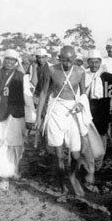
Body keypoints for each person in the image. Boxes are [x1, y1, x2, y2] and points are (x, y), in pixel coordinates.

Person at [34, 46, 90, 197]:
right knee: (59, 156)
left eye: (71, 60)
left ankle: (72, 176)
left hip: (73, 112)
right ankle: (62, 186)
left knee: (76, 155)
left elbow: (84, 94)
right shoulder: (51, 70)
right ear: (59, 58)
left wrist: (80, 104)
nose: (67, 63)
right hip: (56, 111)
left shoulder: (80, 72)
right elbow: (44, 92)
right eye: (64, 59)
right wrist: (38, 116)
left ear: (75, 58)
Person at [0, 49, 31, 191]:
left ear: (16, 62)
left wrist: (31, 118)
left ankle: (14, 170)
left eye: (13, 60)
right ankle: (4, 177)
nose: (9, 62)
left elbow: (27, 99)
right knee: (2, 145)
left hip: (17, 115)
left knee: (17, 146)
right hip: (1, 115)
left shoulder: (22, 77)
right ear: (3, 60)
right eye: (7, 59)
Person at [85, 49, 112, 171]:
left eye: (96, 62)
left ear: (100, 62)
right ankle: (89, 167)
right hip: (87, 110)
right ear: (88, 62)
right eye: (91, 62)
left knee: (101, 139)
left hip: (102, 110)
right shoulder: (84, 75)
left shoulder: (106, 76)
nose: (94, 65)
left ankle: (97, 167)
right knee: (88, 140)